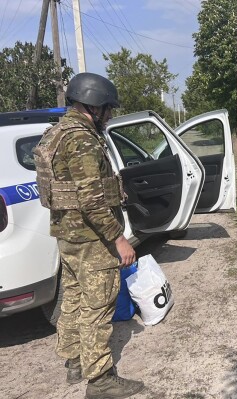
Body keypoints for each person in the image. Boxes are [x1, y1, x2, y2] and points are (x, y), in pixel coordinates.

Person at [33, 72, 144, 398]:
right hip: (91, 238)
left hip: (68, 236)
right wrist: (119, 239)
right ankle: (101, 381)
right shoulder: (81, 140)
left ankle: (74, 362)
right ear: (94, 106)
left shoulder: (58, 132)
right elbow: (91, 200)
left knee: (74, 297)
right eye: (108, 109)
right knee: (98, 307)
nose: (110, 116)